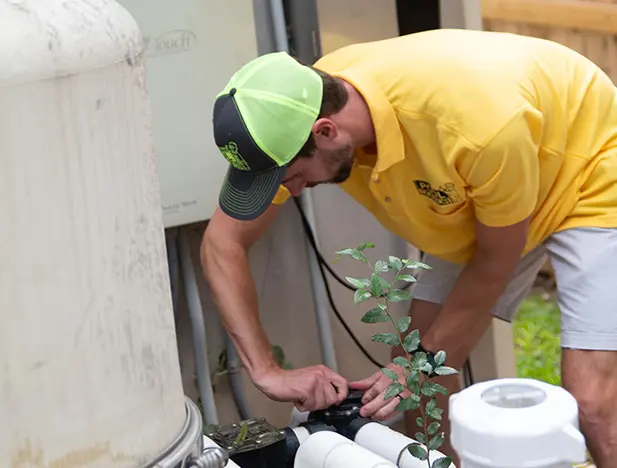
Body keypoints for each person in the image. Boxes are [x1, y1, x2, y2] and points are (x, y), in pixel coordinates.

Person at [202, 28, 617, 466]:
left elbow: (497, 259)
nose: (297, 191)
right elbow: (221, 243)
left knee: (592, 399)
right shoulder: (295, 107)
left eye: (293, 179)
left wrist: (421, 363)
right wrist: (265, 369)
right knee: (420, 376)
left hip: (585, 163)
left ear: (325, 131)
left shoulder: (476, 126)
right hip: (490, 184)